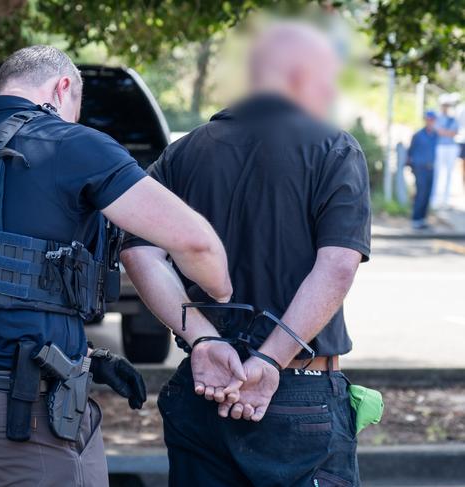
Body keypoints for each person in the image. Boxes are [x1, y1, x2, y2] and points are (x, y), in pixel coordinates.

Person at [0, 45, 232, 487]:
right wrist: (222, 295)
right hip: (22, 414)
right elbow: (195, 242)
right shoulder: (68, 144)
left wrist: (85, 361)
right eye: (76, 106)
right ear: (63, 88)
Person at [122, 22, 370, 486]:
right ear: (302, 75)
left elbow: (139, 254)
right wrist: (270, 361)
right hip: (301, 392)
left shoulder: (181, 154)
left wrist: (203, 340)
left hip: (203, 388)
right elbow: (337, 266)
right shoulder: (334, 149)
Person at [407, 110, 438, 229]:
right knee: (420, 194)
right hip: (420, 169)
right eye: (428, 119)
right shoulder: (418, 135)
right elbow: (410, 152)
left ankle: (422, 219)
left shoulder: (435, 135)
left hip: (431, 168)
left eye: (432, 120)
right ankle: (415, 219)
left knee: (428, 194)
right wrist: (413, 167)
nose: (430, 122)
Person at [432, 94, 460, 209]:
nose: (445, 107)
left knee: (449, 173)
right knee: (438, 173)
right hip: (440, 147)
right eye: (444, 105)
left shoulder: (453, 118)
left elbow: (453, 132)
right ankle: (435, 200)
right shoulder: (437, 118)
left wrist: (444, 132)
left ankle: (445, 200)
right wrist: (445, 132)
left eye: (447, 105)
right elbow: (438, 131)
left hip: (451, 148)